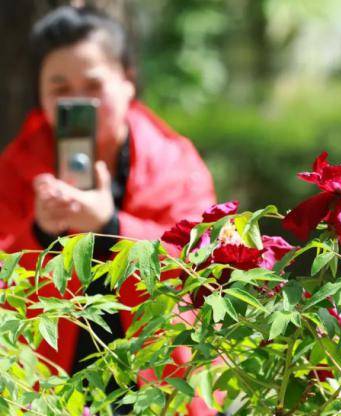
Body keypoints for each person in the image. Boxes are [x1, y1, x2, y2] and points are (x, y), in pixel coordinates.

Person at [0, 5, 216, 384]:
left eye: (93, 85)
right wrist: (40, 232)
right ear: (40, 93)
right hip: (49, 381)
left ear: (128, 81)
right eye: (61, 89)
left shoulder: (174, 162)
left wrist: (112, 226)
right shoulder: (16, 167)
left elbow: (201, 261)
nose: (78, 101)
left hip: (156, 376)